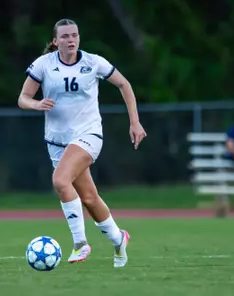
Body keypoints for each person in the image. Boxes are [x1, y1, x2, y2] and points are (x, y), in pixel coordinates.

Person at [17, 18, 147, 268]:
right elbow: (23, 97)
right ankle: (119, 239)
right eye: (65, 36)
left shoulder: (93, 62)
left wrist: (135, 122)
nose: (71, 40)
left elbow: (124, 84)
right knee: (88, 197)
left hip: (88, 135)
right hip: (56, 141)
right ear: (55, 41)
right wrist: (36, 104)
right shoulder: (43, 65)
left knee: (60, 180)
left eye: (74, 35)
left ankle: (80, 243)